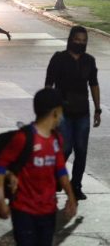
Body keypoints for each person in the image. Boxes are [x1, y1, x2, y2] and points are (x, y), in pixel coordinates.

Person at [0, 88, 78, 246]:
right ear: (55, 112)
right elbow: (0, 166)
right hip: (23, 210)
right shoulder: (24, 138)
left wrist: (71, 197)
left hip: (48, 210)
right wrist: (0, 199)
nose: (62, 116)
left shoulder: (56, 139)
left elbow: (61, 170)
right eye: (61, 111)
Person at [45, 25, 101, 200]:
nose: (80, 43)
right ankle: (56, 179)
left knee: (81, 150)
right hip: (63, 113)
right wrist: (48, 111)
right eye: (77, 39)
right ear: (70, 39)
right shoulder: (59, 59)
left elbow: (93, 84)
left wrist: (98, 109)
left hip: (83, 112)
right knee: (65, 148)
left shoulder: (89, 61)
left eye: (84, 41)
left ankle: (76, 185)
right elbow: (48, 84)